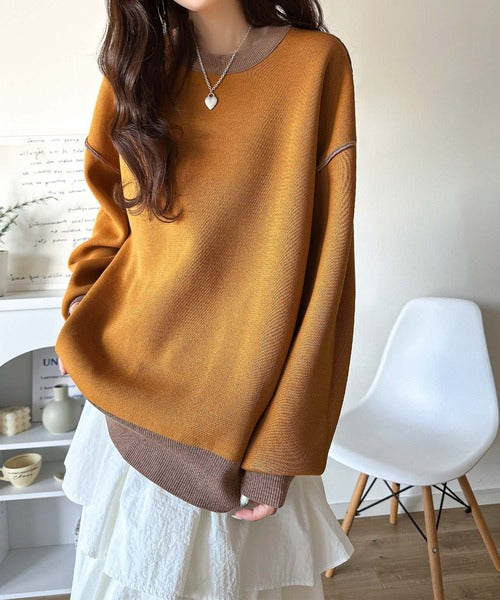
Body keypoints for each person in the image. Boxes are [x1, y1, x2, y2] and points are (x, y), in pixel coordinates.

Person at [56, 0, 357, 597]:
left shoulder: (316, 65)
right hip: (125, 390)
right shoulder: (135, 70)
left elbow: (328, 274)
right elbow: (114, 219)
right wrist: (81, 306)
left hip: (243, 422)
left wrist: (281, 444)